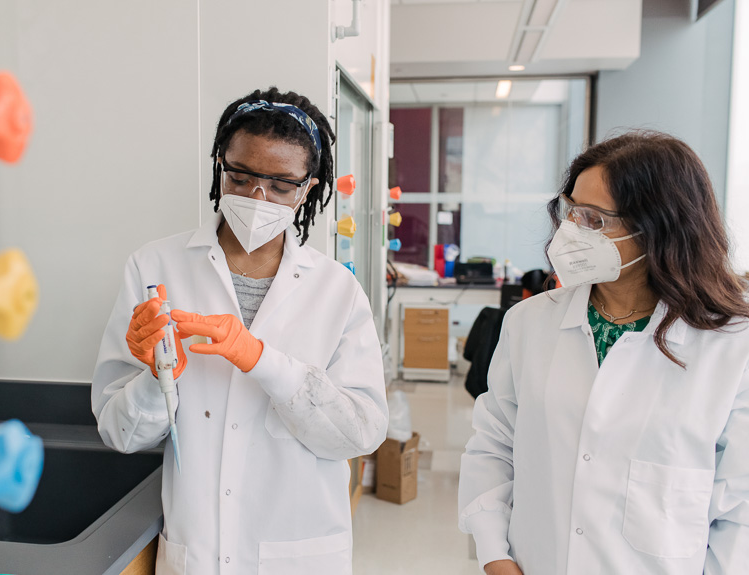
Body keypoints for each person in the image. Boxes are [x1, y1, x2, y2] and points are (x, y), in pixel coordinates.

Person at [92, 87, 388, 575]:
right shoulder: (154, 267)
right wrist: (154, 377)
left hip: (297, 554)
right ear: (219, 168)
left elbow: (360, 433)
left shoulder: (337, 290)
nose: (258, 197)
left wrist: (262, 360)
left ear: (309, 188)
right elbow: (119, 434)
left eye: (280, 185)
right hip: (197, 554)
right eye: (242, 176)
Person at [458, 131, 749, 575]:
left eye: (595, 220)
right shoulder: (530, 323)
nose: (572, 230)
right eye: (571, 211)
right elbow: (493, 448)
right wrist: (496, 555)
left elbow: (739, 509)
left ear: (659, 227)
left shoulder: (732, 346)